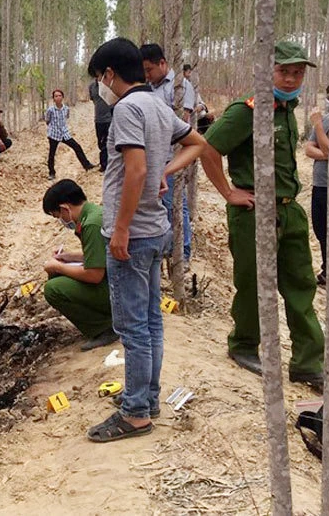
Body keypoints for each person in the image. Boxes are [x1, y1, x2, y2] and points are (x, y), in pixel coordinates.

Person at [85, 37, 206, 443]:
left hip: (133, 236)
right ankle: (147, 396)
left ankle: (135, 412)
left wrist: (119, 228)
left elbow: (134, 172)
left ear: (109, 75)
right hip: (157, 231)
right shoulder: (157, 104)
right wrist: (166, 172)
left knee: (133, 327)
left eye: (100, 79)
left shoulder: (127, 109)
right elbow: (197, 143)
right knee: (152, 321)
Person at [200, 41, 325, 393]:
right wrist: (228, 192)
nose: (290, 78)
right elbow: (207, 148)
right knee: (253, 282)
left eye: (297, 72)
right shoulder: (248, 110)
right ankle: (243, 345)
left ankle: (308, 363)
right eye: (284, 71)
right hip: (254, 211)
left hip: (290, 210)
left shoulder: (287, 108)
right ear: (267, 71)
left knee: (301, 285)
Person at [42, 179, 117, 351]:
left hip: (118, 290)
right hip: (117, 282)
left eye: (58, 216)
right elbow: (98, 255)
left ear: (64, 208)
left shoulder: (91, 224)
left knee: (53, 288)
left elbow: (94, 275)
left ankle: (105, 327)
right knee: (57, 275)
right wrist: (67, 258)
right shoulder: (94, 214)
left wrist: (58, 267)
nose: (61, 220)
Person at [141, 44, 193, 265]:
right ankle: (166, 247)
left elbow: (184, 125)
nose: (147, 75)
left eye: (150, 69)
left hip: (171, 158)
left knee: (175, 204)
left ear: (163, 63)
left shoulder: (180, 87)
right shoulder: (148, 88)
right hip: (151, 158)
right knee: (161, 204)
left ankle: (182, 251)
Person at [305, 85, 329, 287]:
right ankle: (326, 271)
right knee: (320, 229)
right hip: (319, 183)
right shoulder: (326, 120)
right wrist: (327, 154)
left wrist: (318, 127)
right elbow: (308, 149)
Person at [45, 89, 95, 180]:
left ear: (62, 97)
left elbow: (66, 118)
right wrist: (51, 129)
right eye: (56, 96)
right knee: (52, 154)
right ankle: (51, 173)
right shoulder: (50, 110)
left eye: (60, 95)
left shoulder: (66, 109)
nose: (58, 97)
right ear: (53, 99)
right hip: (54, 134)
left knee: (77, 147)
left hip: (64, 133)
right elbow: (47, 121)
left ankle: (87, 165)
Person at [89, 78, 114, 171]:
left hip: (109, 119)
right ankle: (104, 163)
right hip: (98, 120)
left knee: (109, 142)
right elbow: (92, 99)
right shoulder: (92, 86)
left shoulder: (110, 85)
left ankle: (106, 165)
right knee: (100, 143)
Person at [183, 63, 214, 134]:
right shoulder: (180, 88)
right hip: (191, 120)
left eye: (190, 72)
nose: (189, 75)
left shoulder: (193, 88)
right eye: (188, 72)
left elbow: (202, 104)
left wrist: (201, 107)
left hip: (201, 117)